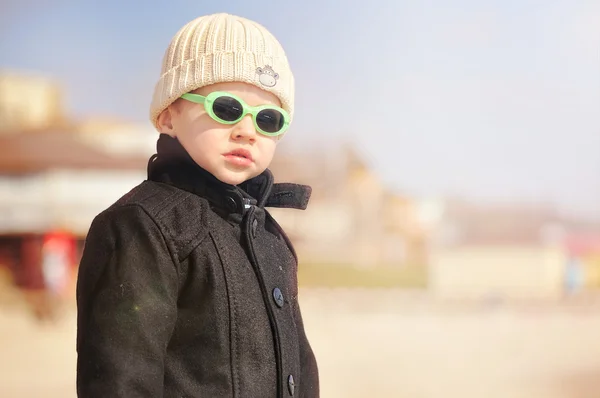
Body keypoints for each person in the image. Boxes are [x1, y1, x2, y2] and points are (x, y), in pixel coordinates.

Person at [76, 12, 320, 398]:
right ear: (169, 114)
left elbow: (300, 365)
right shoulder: (141, 226)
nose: (247, 131)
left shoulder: (267, 232)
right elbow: (121, 376)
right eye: (226, 109)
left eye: (268, 119)